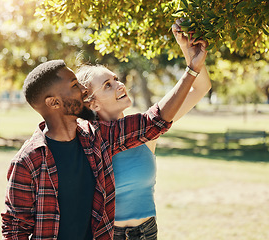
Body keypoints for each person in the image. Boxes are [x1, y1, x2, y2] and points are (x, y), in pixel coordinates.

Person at [1, 22, 207, 240]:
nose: (83, 90)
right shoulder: (27, 161)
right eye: (74, 86)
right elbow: (15, 230)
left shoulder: (97, 138)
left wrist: (192, 68)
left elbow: (153, 121)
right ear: (53, 103)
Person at [75, 19, 211, 240]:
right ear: (93, 104)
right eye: (107, 85)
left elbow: (200, 88)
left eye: (116, 79)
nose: (120, 85)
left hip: (147, 233)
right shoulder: (85, 141)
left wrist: (189, 54)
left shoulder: (147, 128)